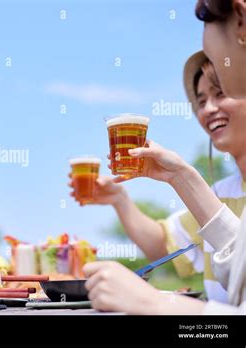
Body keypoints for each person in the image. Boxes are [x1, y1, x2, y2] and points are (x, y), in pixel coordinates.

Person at [83, 0, 246, 314]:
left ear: (240, 21)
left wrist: (156, 301)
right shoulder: (221, 193)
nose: (209, 108)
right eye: (201, 100)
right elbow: (240, 263)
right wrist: (178, 176)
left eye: (221, 89)